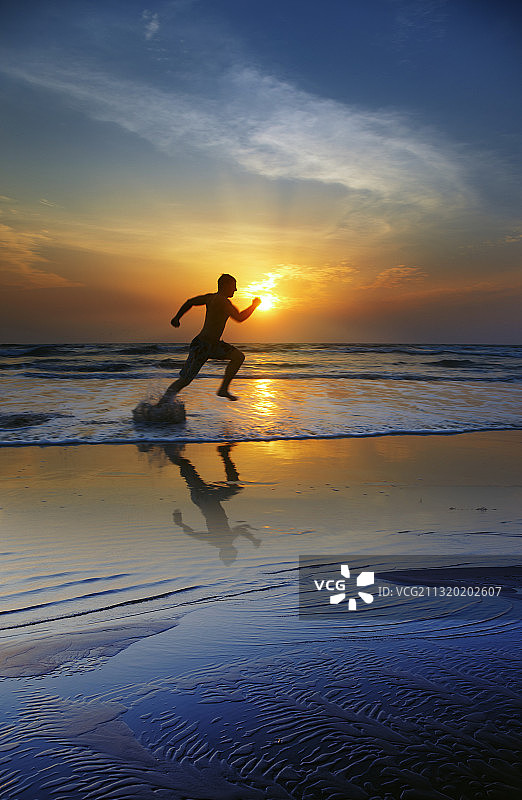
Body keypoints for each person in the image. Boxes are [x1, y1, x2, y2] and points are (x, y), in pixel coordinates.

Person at [157, 274, 261, 405]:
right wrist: (254, 306)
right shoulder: (223, 301)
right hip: (202, 346)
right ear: (225, 285)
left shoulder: (210, 298)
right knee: (185, 380)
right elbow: (239, 317)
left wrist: (177, 317)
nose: (235, 290)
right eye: (233, 286)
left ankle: (223, 389)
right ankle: (161, 404)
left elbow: (190, 302)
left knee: (238, 357)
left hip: (214, 345)